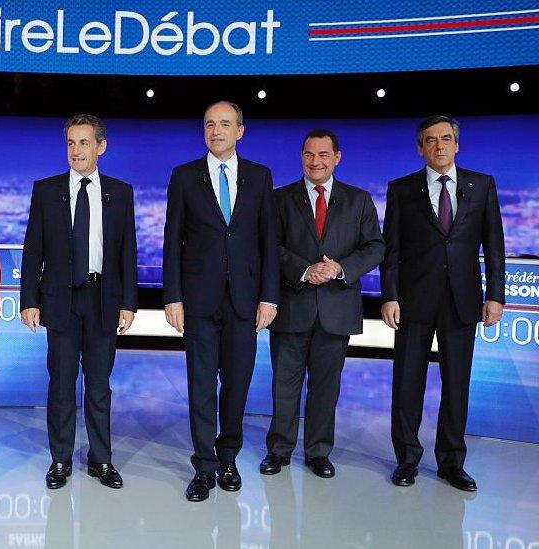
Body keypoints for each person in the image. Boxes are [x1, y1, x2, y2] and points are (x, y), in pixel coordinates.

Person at [381, 115, 505, 491]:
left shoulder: (481, 185)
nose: (439, 146)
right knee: (407, 383)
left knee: (456, 385)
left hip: (462, 301)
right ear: (421, 148)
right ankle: (407, 459)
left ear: (456, 144)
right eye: (431, 140)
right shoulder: (401, 189)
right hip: (413, 302)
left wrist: (496, 295)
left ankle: (452, 462)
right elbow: (391, 250)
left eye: (446, 139)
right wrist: (390, 295)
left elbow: (494, 246)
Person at [163, 101, 279, 501]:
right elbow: (172, 240)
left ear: (240, 131)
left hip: (246, 301)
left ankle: (228, 458)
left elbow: (269, 242)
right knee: (200, 386)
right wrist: (173, 297)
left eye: (225, 124)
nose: (216, 131)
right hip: (198, 300)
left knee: (237, 384)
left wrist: (269, 297)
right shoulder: (184, 177)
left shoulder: (260, 177)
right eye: (210, 124)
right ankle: (204, 467)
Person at [20, 114, 138, 490]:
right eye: (71, 143)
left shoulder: (120, 193)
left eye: (84, 143)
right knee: (61, 384)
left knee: (99, 385)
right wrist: (29, 300)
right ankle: (60, 459)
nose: (76, 150)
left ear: (100, 147)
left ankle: (101, 460)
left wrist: (129, 303)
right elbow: (32, 248)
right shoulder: (46, 189)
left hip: (103, 299)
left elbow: (127, 252)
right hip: (60, 301)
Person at [261, 129, 384, 478]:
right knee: (284, 384)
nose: (316, 162)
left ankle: (318, 452)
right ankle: (279, 450)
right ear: (301, 157)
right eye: (309, 155)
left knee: (326, 387)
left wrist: (340, 268)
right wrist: (305, 270)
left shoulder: (358, 200)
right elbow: (270, 247)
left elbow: (375, 247)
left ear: (337, 157)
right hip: (292, 305)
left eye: (323, 155)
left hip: (337, 308)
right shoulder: (279, 199)